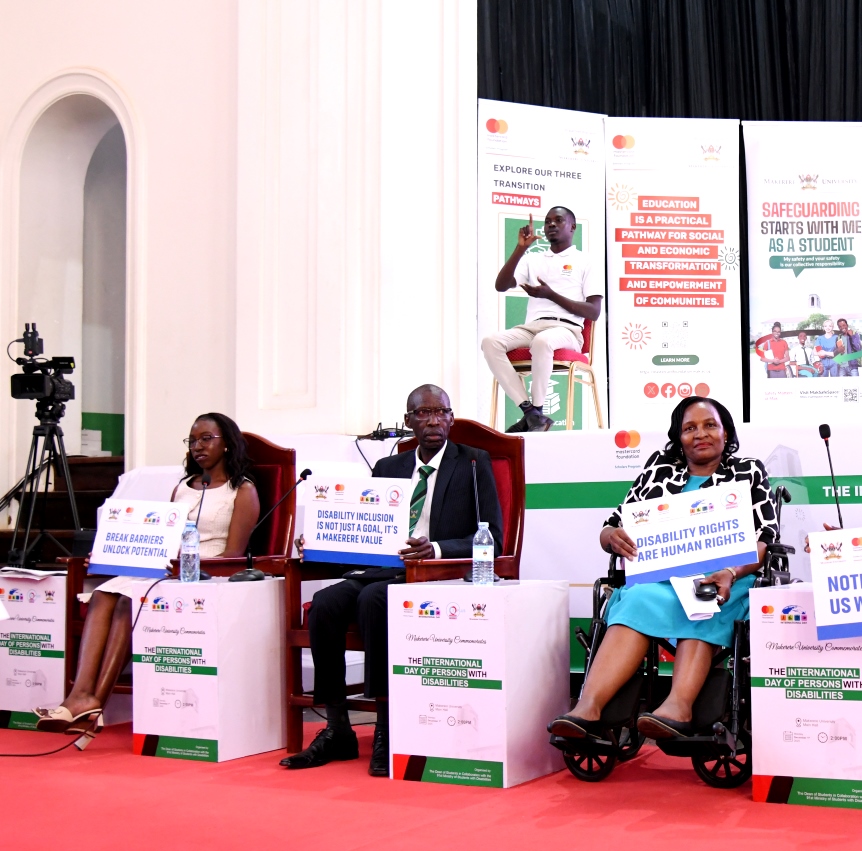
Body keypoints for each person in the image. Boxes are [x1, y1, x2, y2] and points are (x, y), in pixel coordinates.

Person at [282, 385, 503, 775]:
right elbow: (366, 526)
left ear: (451, 418)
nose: (433, 420)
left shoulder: (473, 462)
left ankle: (386, 725)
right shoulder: (389, 468)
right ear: (408, 422)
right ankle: (337, 729)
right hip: (383, 569)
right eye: (423, 413)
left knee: (374, 600)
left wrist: (434, 549)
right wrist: (318, 541)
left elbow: (493, 536)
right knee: (326, 604)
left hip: (436, 573)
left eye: (441, 412)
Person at [550, 395, 779, 740]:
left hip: (725, 578)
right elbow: (612, 524)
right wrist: (613, 536)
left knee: (704, 597)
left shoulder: (747, 471)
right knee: (637, 598)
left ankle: (679, 706)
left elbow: (766, 539)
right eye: (689, 428)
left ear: (726, 432)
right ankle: (589, 707)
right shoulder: (660, 467)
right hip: (660, 578)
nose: (700, 434)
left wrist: (731, 572)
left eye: (709, 425)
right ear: (678, 437)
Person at [35, 414, 262, 731]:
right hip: (164, 569)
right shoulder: (183, 487)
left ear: (227, 444)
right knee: (104, 593)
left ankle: (93, 704)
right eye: (192, 440)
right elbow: (163, 537)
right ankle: (80, 694)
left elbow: (233, 555)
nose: (197, 446)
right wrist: (110, 555)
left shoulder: (242, 490)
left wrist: (185, 564)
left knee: (130, 600)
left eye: (206, 438)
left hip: (205, 574)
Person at [480, 207, 602, 432]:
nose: (551, 225)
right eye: (547, 222)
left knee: (543, 342)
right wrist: (520, 248)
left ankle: (536, 409)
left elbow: (593, 312)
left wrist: (551, 295)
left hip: (567, 330)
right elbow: (501, 285)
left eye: (558, 221)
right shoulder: (533, 258)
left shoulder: (585, 261)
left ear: (572, 227)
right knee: (490, 342)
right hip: (531, 327)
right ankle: (532, 413)